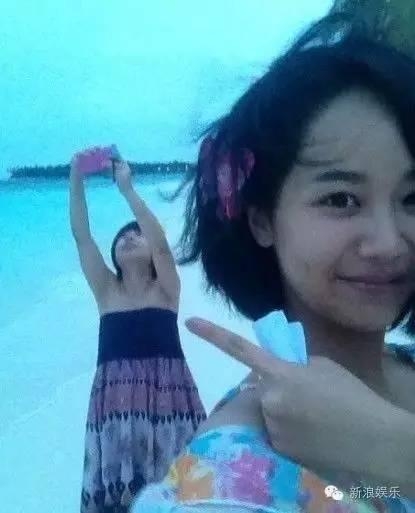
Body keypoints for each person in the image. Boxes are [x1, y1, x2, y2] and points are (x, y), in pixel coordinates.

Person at [133, 15, 415, 513]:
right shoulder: (229, 488)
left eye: (412, 199)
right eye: (341, 199)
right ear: (262, 219)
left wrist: (392, 449)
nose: (389, 243)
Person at [69, 150, 206, 513]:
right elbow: (82, 238)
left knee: (180, 489)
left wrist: (127, 190)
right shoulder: (106, 291)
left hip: (168, 395)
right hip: (115, 403)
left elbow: (160, 243)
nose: (129, 237)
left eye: (136, 234)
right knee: (118, 496)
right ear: (113, 255)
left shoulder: (166, 290)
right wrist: (76, 177)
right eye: (122, 237)